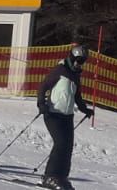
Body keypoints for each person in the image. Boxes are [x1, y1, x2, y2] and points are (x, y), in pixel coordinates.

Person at [35, 45, 94, 190]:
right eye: (78, 60)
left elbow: (77, 96)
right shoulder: (60, 70)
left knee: (67, 147)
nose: (80, 64)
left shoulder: (75, 75)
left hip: (67, 116)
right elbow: (43, 86)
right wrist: (41, 104)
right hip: (53, 113)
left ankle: (61, 177)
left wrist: (84, 109)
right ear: (72, 58)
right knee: (60, 144)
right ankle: (50, 177)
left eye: (82, 61)